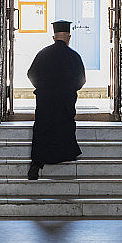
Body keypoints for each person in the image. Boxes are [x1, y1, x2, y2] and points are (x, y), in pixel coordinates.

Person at [26, 20, 86, 180]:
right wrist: (68, 90)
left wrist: (44, 88)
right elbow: (81, 80)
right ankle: (66, 155)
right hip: (65, 100)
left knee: (42, 128)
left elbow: (31, 74)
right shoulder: (74, 56)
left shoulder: (43, 54)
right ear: (69, 37)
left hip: (45, 99)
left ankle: (36, 164)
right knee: (64, 126)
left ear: (54, 37)